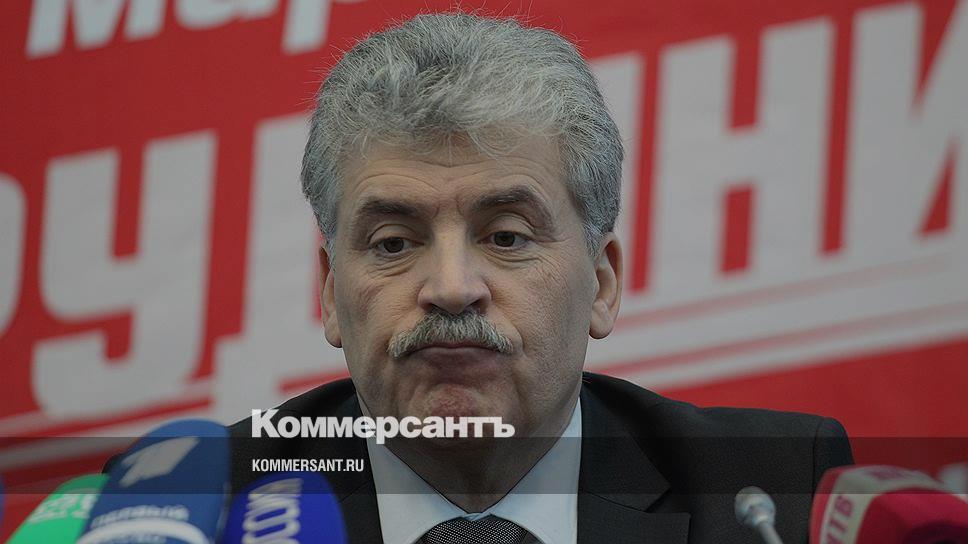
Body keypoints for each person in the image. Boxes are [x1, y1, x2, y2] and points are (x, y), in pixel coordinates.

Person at [229, 12, 853, 544]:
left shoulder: (776, 493)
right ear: (329, 292)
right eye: (393, 243)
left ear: (602, 285)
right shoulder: (213, 506)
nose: (452, 288)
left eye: (506, 237)